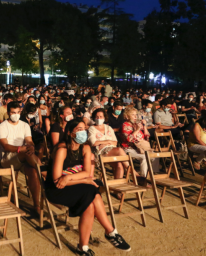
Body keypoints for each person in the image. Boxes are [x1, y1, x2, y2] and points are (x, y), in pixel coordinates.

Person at [45, 118, 131, 255]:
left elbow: (86, 172)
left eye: (84, 129)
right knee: (91, 190)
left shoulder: (85, 148)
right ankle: (110, 232)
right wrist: (82, 180)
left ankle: (84, 247)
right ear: (70, 133)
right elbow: (57, 181)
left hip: (75, 186)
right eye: (79, 130)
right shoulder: (62, 149)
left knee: (90, 201)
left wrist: (68, 177)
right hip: (56, 189)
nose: (83, 132)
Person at [0, 101, 41, 214]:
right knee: (28, 154)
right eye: (13, 112)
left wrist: (30, 147)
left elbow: (29, 140)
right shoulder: (2, 126)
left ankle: (37, 205)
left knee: (33, 172)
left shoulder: (24, 125)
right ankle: (44, 172)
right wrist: (22, 149)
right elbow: (6, 147)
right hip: (7, 157)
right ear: (8, 113)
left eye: (17, 112)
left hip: (24, 157)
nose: (15, 114)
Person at [88, 108, 128, 180]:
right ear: (94, 118)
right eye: (97, 117)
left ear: (104, 118)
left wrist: (103, 143)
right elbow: (94, 143)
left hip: (111, 150)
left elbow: (115, 142)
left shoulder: (108, 128)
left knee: (119, 164)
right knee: (119, 150)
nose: (99, 118)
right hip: (99, 152)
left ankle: (117, 187)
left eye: (101, 117)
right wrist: (108, 141)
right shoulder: (92, 128)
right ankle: (130, 170)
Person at [121, 107, 160, 178]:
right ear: (127, 116)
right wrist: (137, 130)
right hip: (129, 148)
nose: (135, 117)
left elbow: (147, 137)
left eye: (136, 115)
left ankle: (151, 176)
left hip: (140, 148)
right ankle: (143, 178)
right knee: (144, 157)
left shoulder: (136, 124)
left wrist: (144, 126)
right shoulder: (125, 125)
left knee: (155, 156)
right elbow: (129, 139)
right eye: (133, 115)